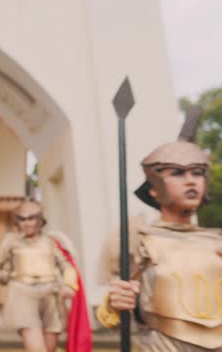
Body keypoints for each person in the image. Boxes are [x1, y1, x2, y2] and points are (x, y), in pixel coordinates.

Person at [96, 140, 222, 351]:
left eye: (197, 173)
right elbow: (113, 316)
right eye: (177, 173)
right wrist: (115, 303)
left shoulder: (216, 241)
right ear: (153, 189)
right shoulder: (137, 240)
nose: (191, 182)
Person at [0, 200, 86, 352]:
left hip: (51, 295)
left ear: (40, 220)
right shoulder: (11, 243)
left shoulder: (51, 243)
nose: (27, 223)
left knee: (50, 349)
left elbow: (67, 266)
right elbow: (3, 278)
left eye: (31, 218)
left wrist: (69, 285)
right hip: (23, 294)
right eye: (22, 219)